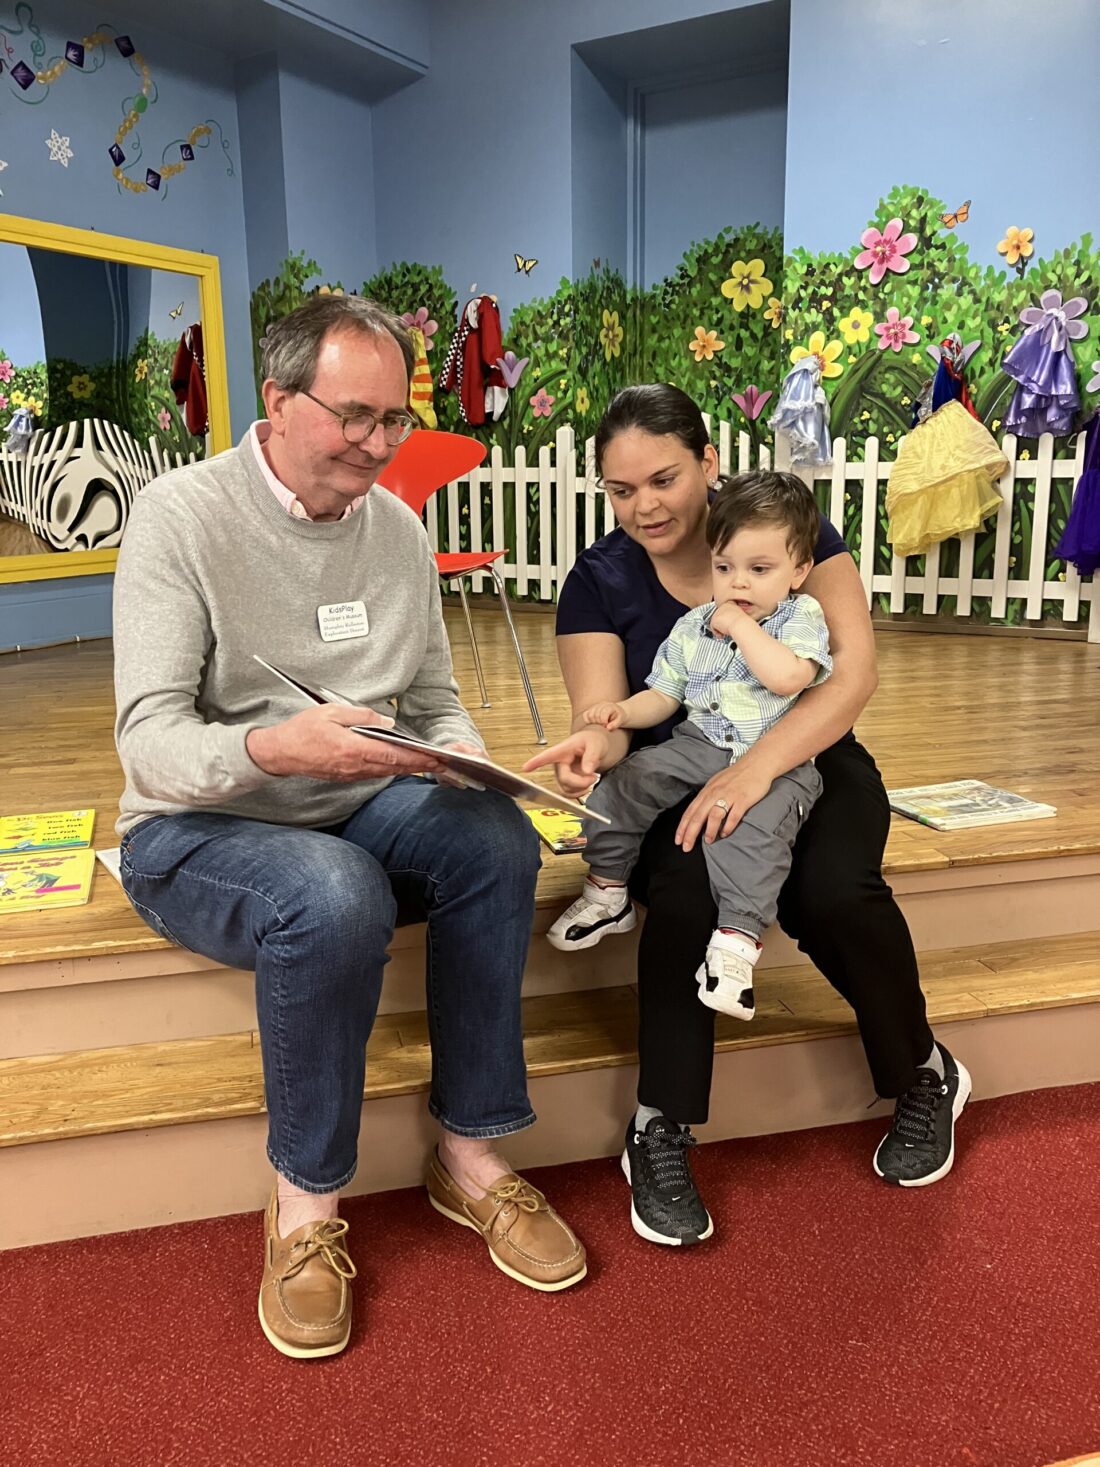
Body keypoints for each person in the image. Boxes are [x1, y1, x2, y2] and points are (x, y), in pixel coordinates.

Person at [112, 295, 586, 1361]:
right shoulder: (182, 517)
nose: (378, 447)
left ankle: (468, 1157)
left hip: (353, 806)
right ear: (278, 404)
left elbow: (432, 699)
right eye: (353, 418)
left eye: (394, 422)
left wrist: (467, 765)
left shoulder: (398, 530)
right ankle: (305, 1207)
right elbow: (149, 747)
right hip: (198, 827)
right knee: (332, 893)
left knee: (493, 842)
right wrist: (277, 749)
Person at [524, 384, 971, 1249]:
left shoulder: (795, 535)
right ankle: (659, 1124)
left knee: (833, 891)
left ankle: (923, 1069)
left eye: (662, 478)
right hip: (685, 760)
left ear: (708, 463)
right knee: (686, 895)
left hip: (807, 749)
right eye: (621, 490)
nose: (644, 505)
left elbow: (849, 678)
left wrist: (758, 770)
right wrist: (593, 744)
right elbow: (610, 712)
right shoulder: (597, 578)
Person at [547, 472, 832, 1026]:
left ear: (798, 571)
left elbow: (788, 677)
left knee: (743, 831)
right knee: (625, 783)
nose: (738, 584)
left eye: (759, 570)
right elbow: (665, 694)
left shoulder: (802, 617)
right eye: (724, 568)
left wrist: (742, 628)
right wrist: (621, 713)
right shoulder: (693, 625)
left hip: (778, 762)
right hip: (700, 742)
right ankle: (608, 891)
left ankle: (737, 944)